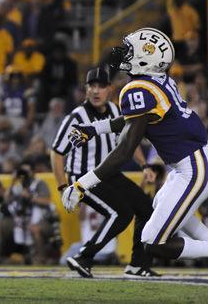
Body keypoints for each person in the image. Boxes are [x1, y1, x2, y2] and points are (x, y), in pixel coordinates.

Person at [63, 27, 208, 296]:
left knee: (153, 241)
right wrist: (95, 129)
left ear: (145, 60)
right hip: (192, 162)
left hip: (194, 165)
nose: (123, 55)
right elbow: (130, 121)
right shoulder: (155, 81)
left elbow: (126, 148)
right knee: (163, 210)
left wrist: (84, 183)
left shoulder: (139, 88)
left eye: (130, 51)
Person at [51, 67, 157, 278]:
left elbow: (130, 140)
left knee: (146, 207)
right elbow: (56, 153)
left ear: (110, 89)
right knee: (121, 213)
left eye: (101, 86)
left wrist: (144, 165)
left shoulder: (117, 111)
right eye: (92, 86)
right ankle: (84, 257)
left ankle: (138, 264)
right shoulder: (76, 117)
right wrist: (64, 186)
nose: (96, 91)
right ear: (86, 89)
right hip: (83, 178)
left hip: (109, 174)